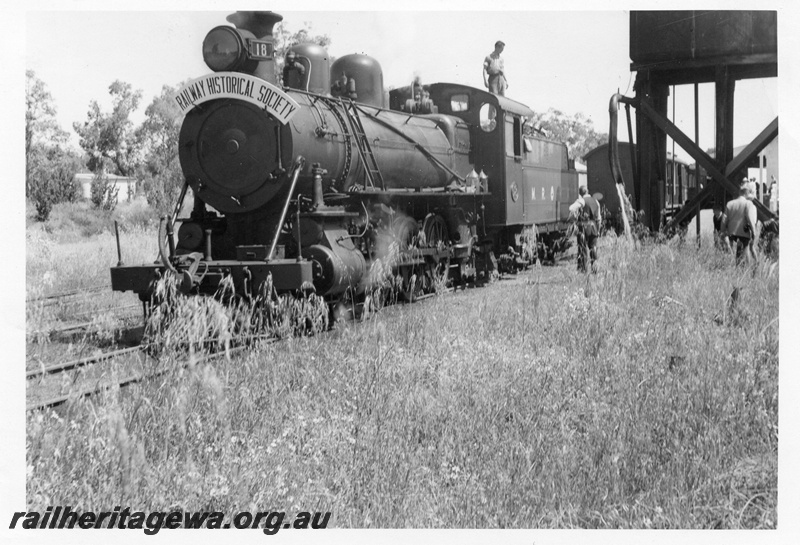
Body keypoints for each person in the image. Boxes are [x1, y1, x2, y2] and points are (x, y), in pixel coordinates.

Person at [722, 179, 758, 265]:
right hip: (743, 232)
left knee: (736, 253)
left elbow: (724, 219)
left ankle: (737, 269)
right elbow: (750, 218)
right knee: (745, 252)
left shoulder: (729, 203)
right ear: (746, 193)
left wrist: (723, 232)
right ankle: (746, 271)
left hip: (732, 233)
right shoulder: (748, 203)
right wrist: (754, 232)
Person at [569, 186, 600, 273]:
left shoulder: (581, 201)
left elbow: (571, 208)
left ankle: (583, 270)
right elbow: (599, 218)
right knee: (593, 249)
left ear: (580, 193)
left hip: (583, 228)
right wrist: (598, 229)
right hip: (594, 227)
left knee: (583, 250)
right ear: (588, 191)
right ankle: (595, 270)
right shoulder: (595, 201)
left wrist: (576, 215)